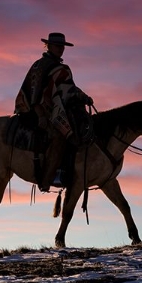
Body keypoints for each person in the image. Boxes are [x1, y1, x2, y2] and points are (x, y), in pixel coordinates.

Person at [14, 32, 93, 191]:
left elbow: (68, 88)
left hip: (58, 109)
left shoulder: (63, 68)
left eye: (62, 47)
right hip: (35, 110)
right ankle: (47, 179)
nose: (60, 49)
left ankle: (67, 171)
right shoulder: (40, 65)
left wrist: (82, 96)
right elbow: (34, 91)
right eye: (57, 46)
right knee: (59, 136)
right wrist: (41, 114)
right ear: (48, 46)